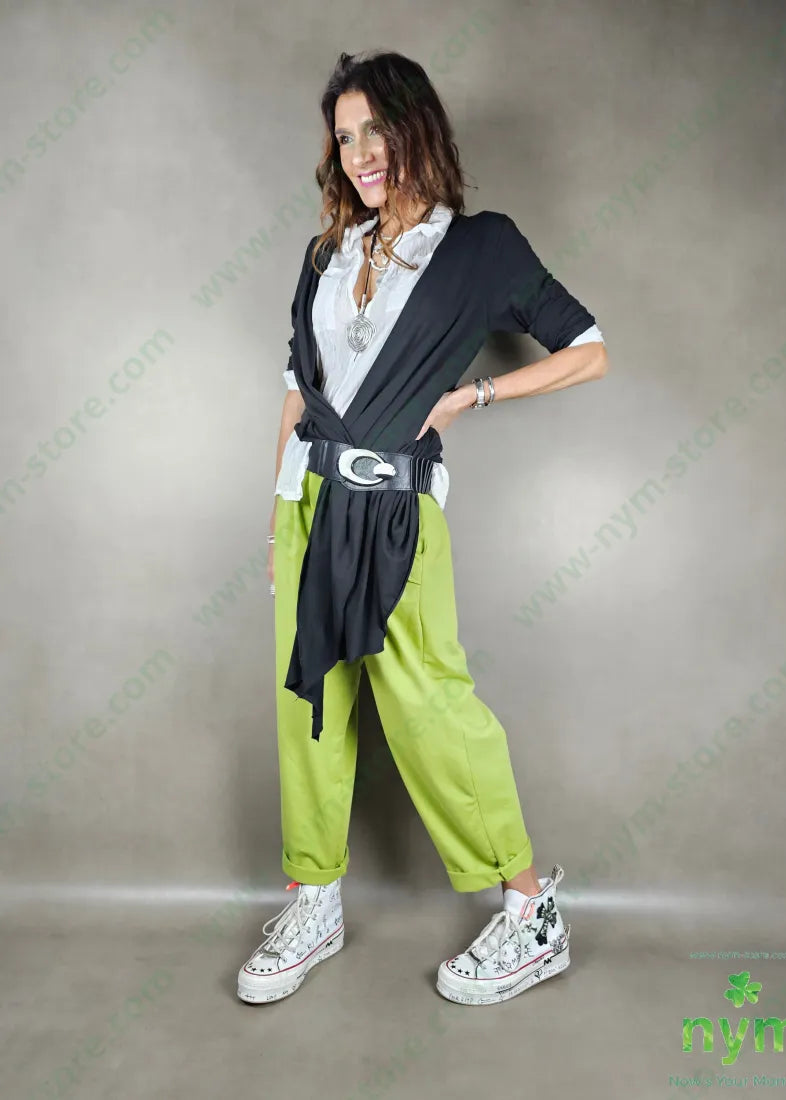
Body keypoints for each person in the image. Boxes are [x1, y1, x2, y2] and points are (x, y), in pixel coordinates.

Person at [237, 49, 608, 1008]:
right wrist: (277, 515)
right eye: (344, 136)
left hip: (398, 510)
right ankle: (313, 898)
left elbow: (588, 350)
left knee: (429, 707)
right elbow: (296, 390)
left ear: (416, 129)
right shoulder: (325, 254)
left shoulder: (480, 246)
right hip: (310, 503)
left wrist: (469, 395)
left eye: (376, 129)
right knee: (307, 703)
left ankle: (529, 911)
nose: (360, 152)